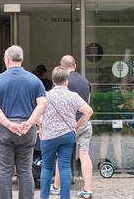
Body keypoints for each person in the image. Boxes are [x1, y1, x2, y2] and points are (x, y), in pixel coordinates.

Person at [0, 45, 47, 199]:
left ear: (7, 60)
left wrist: (8, 124)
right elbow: (42, 104)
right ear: (21, 59)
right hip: (27, 130)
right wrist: (30, 122)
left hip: (4, 130)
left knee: (5, 171)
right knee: (25, 170)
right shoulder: (35, 80)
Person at [39, 66, 93, 199]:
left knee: (47, 167)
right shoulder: (73, 96)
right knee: (64, 166)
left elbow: (38, 116)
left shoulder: (45, 96)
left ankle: (44, 196)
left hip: (49, 136)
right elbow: (89, 112)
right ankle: (65, 196)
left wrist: (41, 127)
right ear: (66, 81)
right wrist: (77, 126)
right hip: (67, 136)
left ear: (53, 81)